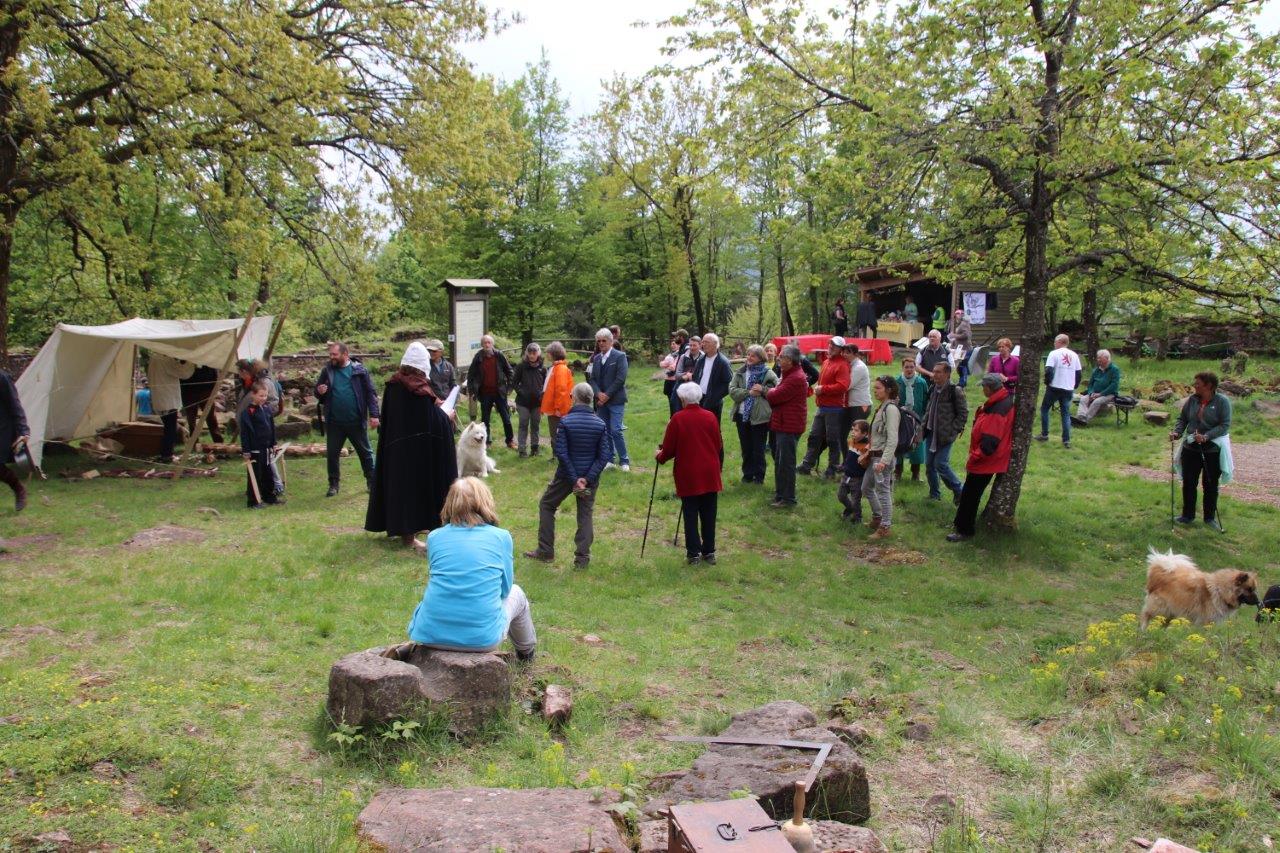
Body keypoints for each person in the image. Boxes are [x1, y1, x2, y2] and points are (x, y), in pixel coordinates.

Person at [407, 477, 536, 661]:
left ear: (449, 503)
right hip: (482, 640)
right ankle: (526, 653)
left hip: (429, 636)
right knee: (517, 593)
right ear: (485, 502)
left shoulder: (434, 537)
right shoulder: (501, 537)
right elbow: (505, 589)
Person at [365, 342, 457, 546]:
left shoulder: (393, 385)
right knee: (413, 489)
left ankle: (414, 525)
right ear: (423, 365)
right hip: (416, 452)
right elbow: (432, 421)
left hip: (397, 449)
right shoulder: (417, 389)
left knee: (404, 489)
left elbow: (419, 415)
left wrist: (435, 407)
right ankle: (408, 535)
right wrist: (446, 416)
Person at [525, 383, 611, 569]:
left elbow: (561, 453)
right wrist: (587, 479)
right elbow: (604, 456)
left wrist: (575, 479)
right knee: (585, 514)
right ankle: (582, 560)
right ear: (591, 399)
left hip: (566, 477)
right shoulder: (600, 424)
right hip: (588, 479)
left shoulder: (565, 422)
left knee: (547, 504)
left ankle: (546, 551)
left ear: (574, 398)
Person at [657, 382, 724, 565]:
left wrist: (659, 456)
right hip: (710, 472)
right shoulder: (710, 416)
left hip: (689, 473)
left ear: (683, 399)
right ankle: (709, 552)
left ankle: (693, 553)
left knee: (690, 513)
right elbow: (718, 444)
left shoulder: (678, 418)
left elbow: (668, 449)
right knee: (709, 513)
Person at [948, 374, 1015, 542]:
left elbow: (989, 443)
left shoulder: (998, 410)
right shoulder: (999, 402)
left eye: (983, 386)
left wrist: (974, 457)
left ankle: (965, 530)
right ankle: (960, 524)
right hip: (987, 459)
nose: (982, 389)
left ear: (990, 388)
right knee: (969, 494)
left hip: (986, 460)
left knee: (970, 495)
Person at [315, 341, 380, 497]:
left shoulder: (359, 370)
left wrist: (374, 415)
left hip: (356, 420)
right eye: (330, 354)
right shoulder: (327, 371)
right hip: (334, 422)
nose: (331, 357)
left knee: (365, 452)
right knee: (332, 454)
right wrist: (320, 391)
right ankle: (333, 485)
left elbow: (370, 393)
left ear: (345, 354)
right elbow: (317, 392)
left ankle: (372, 482)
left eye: (334, 354)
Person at [1170, 372, 1232, 531]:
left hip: (1212, 449)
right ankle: (1187, 515)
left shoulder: (1222, 402)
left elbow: (1224, 425)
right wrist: (1177, 432)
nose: (1194, 386)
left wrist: (1206, 436)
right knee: (1189, 482)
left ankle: (1209, 518)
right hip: (1191, 446)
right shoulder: (1192, 400)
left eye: (1198, 383)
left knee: (1210, 484)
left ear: (1208, 385)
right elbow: (1183, 419)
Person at [798, 337, 850, 479]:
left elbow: (843, 386)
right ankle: (806, 465)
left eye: (835, 346)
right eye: (830, 344)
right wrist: (820, 389)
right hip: (822, 406)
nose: (831, 347)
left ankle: (832, 469)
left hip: (834, 408)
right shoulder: (827, 361)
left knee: (832, 440)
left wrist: (823, 389)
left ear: (841, 349)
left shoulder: (842, 365)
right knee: (814, 437)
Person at [765, 344, 809, 507]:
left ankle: (788, 498)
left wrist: (768, 391)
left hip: (789, 426)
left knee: (786, 463)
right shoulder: (789, 374)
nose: (778, 358)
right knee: (780, 461)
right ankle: (780, 495)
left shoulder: (795, 378)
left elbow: (775, 396)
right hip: (783, 423)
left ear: (790, 360)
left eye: (782, 356)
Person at [728, 344, 777, 485]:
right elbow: (732, 391)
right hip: (741, 415)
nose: (749, 357)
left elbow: (776, 391)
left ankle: (759, 477)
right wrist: (748, 392)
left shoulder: (768, 373)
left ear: (760, 358)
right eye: (748, 354)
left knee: (758, 448)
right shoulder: (740, 371)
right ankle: (747, 474)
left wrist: (763, 390)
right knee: (746, 447)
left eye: (753, 355)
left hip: (760, 417)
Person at [921, 363, 967, 503]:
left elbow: (963, 413)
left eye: (938, 372)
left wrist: (953, 429)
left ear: (947, 374)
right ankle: (934, 494)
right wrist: (922, 428)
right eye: (934, 371)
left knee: (940, 464)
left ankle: (959, 490)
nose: (934, 374)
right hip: (931, 433)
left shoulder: (955, 391)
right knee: (929, 465)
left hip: (945, 435)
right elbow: (929, 410)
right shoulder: (933, 388)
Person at [863, 376, 901, 539]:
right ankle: (878, 517)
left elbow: (892, 439)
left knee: (883, 492)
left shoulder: (891, 410)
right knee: (866, 487)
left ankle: (885, 527)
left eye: (878, 388)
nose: (875, 390)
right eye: (875, 387)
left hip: (882, 459)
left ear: (888, 390)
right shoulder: (882, 407)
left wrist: (884, 461)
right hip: (874, 456)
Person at [588, 328, 630, 472]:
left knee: (616, 430)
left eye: (604, 341)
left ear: (611, 341)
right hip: (601, 401)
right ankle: (610, 460)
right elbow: (592, 379)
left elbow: (620, 379)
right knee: (604, 431)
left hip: (616, 399)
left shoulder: (620, 356)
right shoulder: (596, 358)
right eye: (599, 341)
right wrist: (598, 394)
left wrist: (606, 395)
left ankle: (624, 460)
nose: (601, 343)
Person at [466, 335, 516, 451]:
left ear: (492, 344)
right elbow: (471, 375)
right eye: (485, 343)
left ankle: (510, 441)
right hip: (485, 394)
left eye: (489, 342)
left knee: (506, 418)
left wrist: (509, 388)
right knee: (485, 420)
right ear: (482, 345)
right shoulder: (478, 357)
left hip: (499, 393)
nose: (487, 345)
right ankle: (487, 442)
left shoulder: (499, 355)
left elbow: (510, 371)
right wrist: (472, 391)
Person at [146, 352, 194, 462]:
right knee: (170, 428)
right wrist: (190, 362)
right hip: (167, 399)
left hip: (161, 398)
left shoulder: (154, 359)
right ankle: (167, 454)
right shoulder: (164, 360)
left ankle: (166, 453)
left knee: (169, 428)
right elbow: (183, 373)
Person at [238, 381, 278, 509]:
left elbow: (271, 427)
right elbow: (245, 433)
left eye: (265, 395)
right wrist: (246, 450)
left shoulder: (267, 408)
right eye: (261, 395)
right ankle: (253, 501)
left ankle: (269, 497)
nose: (263, 398)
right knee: (255, 475)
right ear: (253, 395)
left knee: (268, 474)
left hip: (266, 448)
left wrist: (273, 443)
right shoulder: (247, 412)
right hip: (255, 449)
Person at [1036, 334, 1081, 448]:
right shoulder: (1074, 355)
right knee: (1065, 413)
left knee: (1044, 409)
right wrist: (1074, 385)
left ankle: (1044, 434)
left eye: (1055, 342)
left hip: (1055, 386)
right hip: (1068, 388)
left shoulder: (1053, 353)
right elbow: (1078, 373)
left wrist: (1048, 382)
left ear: (1060, 342)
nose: (1054, 344)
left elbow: (1049, 370)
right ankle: (1066, 440)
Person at [0, 368, 30, 512]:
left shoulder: (2, 377)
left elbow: (15, 405)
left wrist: (24, 431)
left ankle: (18, 489)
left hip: (3, 428)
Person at [895, 357, 929, 482]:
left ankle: (916, 473)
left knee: (917, 445)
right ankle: (898, 472)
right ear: (902, 368)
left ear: (915, 368)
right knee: (899, 443)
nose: (909, 369)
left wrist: (923, 417)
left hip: (917, 417)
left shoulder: (921, 382)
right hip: (901, 418)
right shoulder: (897, 382)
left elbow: (926, 400)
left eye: (912, 367)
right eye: (906, 367)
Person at [511, 343, 547, 457]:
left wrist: (542, 395)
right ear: (527, 353)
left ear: (538, 354)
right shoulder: (521, 366)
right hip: (523, 402)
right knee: (523, 424)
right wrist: (521, 392)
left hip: (537, 402)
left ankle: (535, 449)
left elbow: (546, 384)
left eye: (534, 353)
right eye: (530, 353)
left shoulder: (543, 368)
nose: (532, 355)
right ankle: (522, 450)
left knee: (535, 426)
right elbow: (514, 382)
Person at [692, 332, 733, 423]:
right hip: (698, 398)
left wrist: (715, 397)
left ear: (715, 344)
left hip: (713, 401)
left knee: (712, 426)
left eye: (707, 342)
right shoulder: (701, 359)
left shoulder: (723, 362)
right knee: (698, 424)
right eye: (703, 342)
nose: (703, 344)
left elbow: (728, 384)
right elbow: (695, 377)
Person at [540, 341, 574, 449]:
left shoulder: (560, 369)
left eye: (548, 352)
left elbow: (561, 390)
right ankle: (557, 454)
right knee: (555, 433)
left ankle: (558, 455)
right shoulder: (556, 367)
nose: (547, 355)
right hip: (554, 408)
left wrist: (558, 408)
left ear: (553, 353)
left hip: (557, 409)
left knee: (556, 434)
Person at [1073, 349, 1120, 426]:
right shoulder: (1096, 370)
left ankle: (1085, 420)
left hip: (1109, 394)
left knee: (1097, 401)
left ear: (1107, 358)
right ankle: (1080, 417)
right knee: (1083, 399)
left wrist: (1101, 394)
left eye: (1100, 358)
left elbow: (1114, 385)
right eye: (1098, 358)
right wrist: (1091, 393)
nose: (1098, 360)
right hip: (1095, 393)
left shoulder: (1114, 370)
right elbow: (1090, 384)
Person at [180, 365, 224, 443]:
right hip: (189, 391)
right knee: (191, 420)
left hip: (205, 390)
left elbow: (213, 371)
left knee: (210, 417)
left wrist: (214, 388)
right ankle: (194, 443)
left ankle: (218, 442)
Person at [838, 419, 871, 523]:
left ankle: (857, 519)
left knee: (856, 500)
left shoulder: (866, 447)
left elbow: (866, 464)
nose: (853, 432)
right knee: (841, 496)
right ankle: (850, 509)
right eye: (852, 429)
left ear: (865, 433)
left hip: (857, 479)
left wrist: (865, 458)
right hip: (846, 476)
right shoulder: (851, 442)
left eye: (856, 430)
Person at [843, 341, 872, 439]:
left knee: (858, 435)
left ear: (855, 354)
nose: (844, 354)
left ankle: (863, 450)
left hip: (860, 405)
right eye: (843, 352)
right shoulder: (852, 365)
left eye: (848, 352)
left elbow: (847, 385)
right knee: (845, 433)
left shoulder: (859, 367)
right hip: (853, 405)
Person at [671, 335, 702, 416]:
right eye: (690, 345)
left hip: (697, 390)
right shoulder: (683, 357)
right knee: (677, 409)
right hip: (682, 388)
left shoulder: (703, 358)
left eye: (694, 345)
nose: (692, 348)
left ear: (700, 345)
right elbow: (677, 375)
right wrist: (686, 374)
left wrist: (692, 375)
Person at [662, 330, 689, 404]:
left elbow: (686, 365)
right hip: (678, 378)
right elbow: (662, 363)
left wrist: (675, 370)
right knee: (673, 401)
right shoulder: (682, 347)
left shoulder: (687, 348)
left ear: (681, 337)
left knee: (677, 402)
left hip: (683, 379)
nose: (675, 338)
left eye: (676, 336)